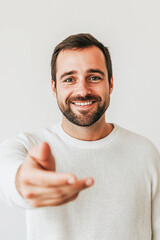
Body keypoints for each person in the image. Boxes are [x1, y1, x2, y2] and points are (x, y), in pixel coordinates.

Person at [0, 33, 159, 240]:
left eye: (94, 77)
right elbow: (7, 172)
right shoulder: (29, 146)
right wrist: (23, 182)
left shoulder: (145, 152)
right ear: (54, 87)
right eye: (69, 79)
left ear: (110, 84)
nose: (83, 91)